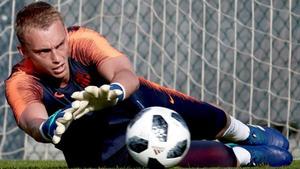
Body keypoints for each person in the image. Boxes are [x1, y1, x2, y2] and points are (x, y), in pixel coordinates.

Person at [5, 1, 292, 168]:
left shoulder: (82, 41)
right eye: (44, 51)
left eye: (59, 45)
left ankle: (244, 133)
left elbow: (123, 71)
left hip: (135, 105)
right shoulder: (21, 81)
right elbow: (32, 118)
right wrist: (49, 125)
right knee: (176, 158)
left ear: (66, 37)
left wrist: (114, 91)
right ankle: (245, 156)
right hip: (98, 151)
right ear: (24, 52)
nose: (57, 57)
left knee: (178, 106)